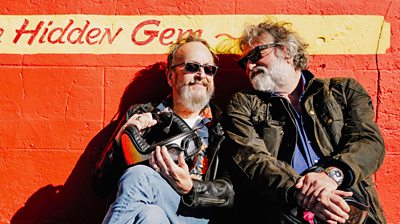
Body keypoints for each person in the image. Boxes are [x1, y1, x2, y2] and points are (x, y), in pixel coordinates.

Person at [223, 20, 386, 223]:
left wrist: (332, 176)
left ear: (286, 51)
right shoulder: (244, 103)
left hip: (349, 208)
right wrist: (305, 194)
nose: (249, 65)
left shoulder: (344, 90)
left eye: (256, 55)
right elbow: (250, 158)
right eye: (243, 62)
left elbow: (369, 142)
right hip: (286, 213)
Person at [92, 35, 234, 224]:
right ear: (170, 76)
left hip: (196, 214)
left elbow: (232, 192)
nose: (201, 75)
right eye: (192, 67)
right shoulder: (143, 116)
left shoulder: (221, 125)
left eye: (209, 70)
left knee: (140, 175)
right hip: (150, 209)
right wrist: (120, 141)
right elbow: (101, 186)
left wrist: (191, 188)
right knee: (151, 215)